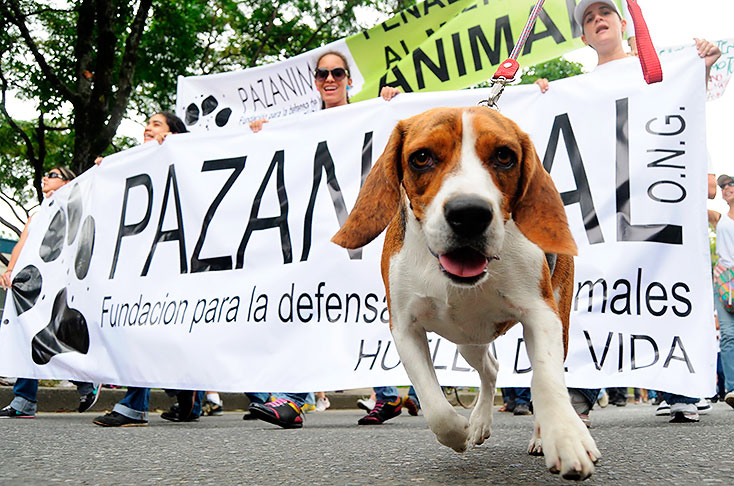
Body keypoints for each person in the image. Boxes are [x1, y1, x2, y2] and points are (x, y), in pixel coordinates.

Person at [245, 50, 400, 428]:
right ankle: (296, 399)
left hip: (361, 228)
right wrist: (263, 135)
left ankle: (389, 395)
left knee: (362, 306)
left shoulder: (374, 114)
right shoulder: (303, 126)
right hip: (317, 235)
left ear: (350, 79)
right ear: (315, 81)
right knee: (312, 308)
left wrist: (394, 106)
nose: (329, 79)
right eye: (321, 74)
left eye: (337, 72)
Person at [92, 112, 201, 427]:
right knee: (139, 325)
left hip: (174, 257)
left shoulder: (186, 155)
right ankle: (146, 402)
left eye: (157, 123)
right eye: (148, 123)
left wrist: (179, 148)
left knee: (167, 328)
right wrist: (106, 173)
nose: (148, 127)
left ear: (173, 133)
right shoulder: (132, 162)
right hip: (140, 260)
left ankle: (180, 395)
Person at [0, 167, 102, 418]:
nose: (45, 177)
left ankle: (86, 381)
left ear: (68, 182)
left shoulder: (80, 206)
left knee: (57, 333)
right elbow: (23, 242)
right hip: (32, 285)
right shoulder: (38, 214)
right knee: (25, 332)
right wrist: (11, 269)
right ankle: (24, 399)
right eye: (45, 174)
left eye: (53, 174)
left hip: (63, 283)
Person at [707, 174, 734, 410]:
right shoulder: (720, 219)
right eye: (723, 185)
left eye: (730, 184)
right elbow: (694, 207)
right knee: (727, 334)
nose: (726, 188)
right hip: (725, 280)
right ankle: (733, 388)